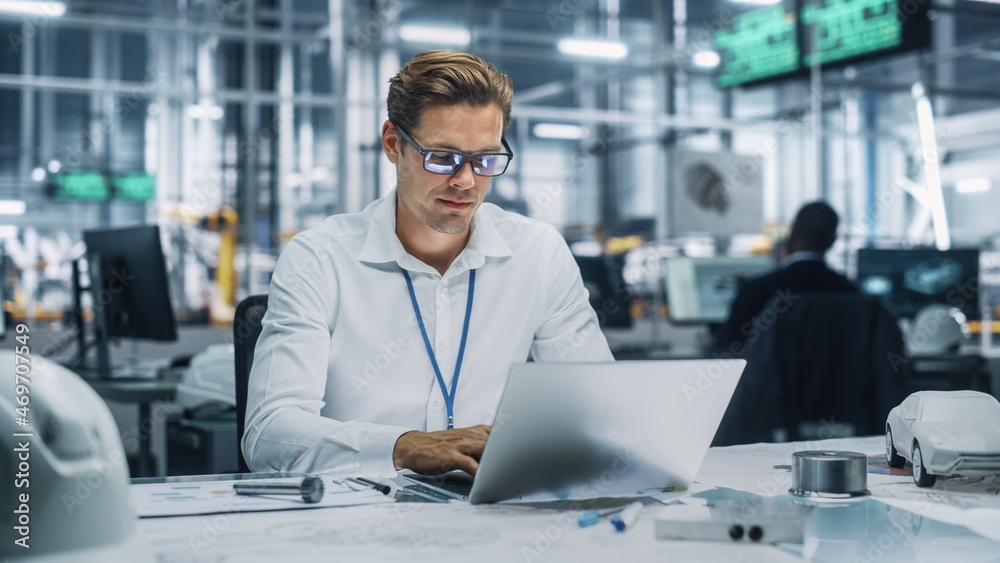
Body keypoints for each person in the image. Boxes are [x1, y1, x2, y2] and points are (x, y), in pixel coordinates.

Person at [242, 50, 613, 478]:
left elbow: (597, 408)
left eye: (485, 159)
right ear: (393, 144)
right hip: (358, 517)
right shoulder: (319, 259)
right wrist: (402, 447)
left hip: (490, 512)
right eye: (442, 157)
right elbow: (269, 434)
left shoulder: (539, 252)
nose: (466, 181)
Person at [711, 201, 858, 355]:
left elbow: (726, 351)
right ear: (832, 241)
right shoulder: (853, 294)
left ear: (794, 234)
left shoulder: (756, 291)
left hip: (767, 379)